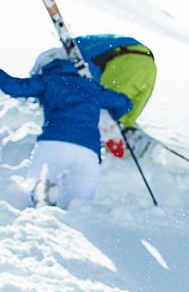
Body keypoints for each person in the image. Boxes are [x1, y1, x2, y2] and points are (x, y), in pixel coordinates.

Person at [0, 49, 132, 207]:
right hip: (88, 152)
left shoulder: (48, 79)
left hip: (54, 144)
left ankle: (44, 198)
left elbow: (14, 88)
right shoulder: (92, 87)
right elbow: (125, 103)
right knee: (79, 208)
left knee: (34, 200)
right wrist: (110, 116)